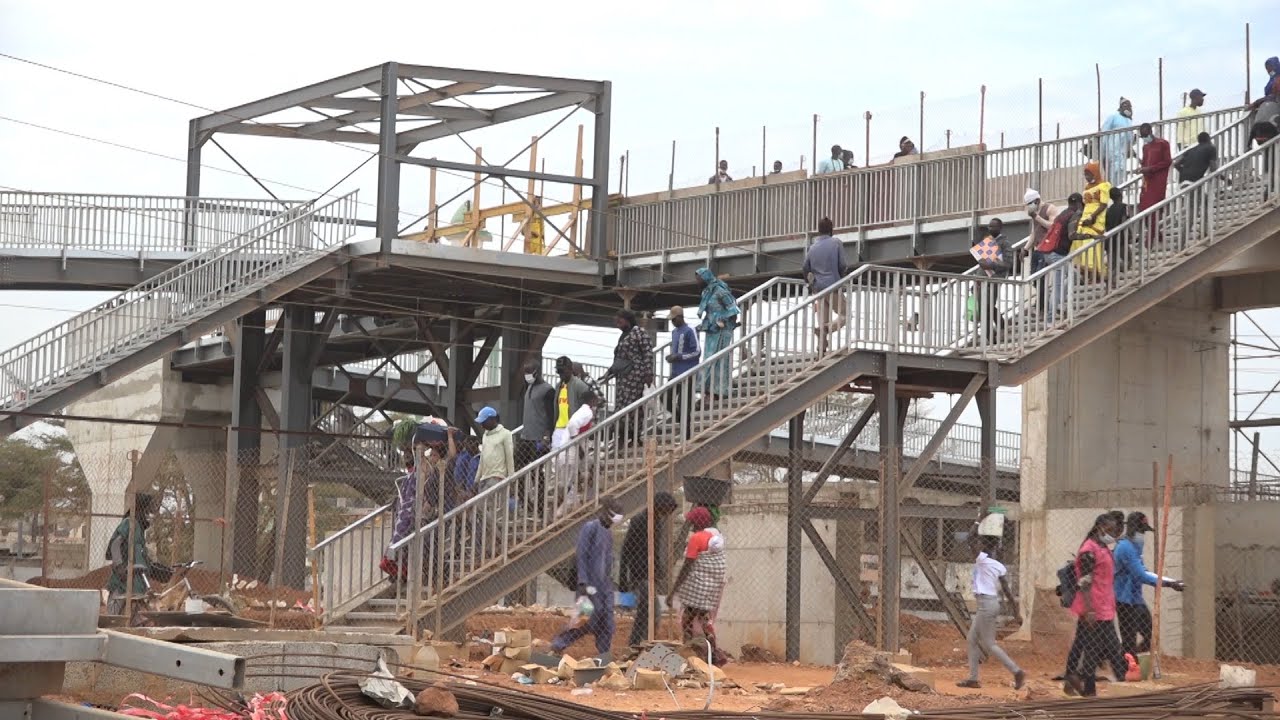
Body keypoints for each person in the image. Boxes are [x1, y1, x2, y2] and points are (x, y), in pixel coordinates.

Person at [552, 496, 624, 662]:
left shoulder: (607, 534)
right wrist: (582, 581)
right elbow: (582, 555)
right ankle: (558, 644)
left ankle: (604, 655)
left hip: (604, 586)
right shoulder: (590, 528)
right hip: (589, 585)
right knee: (586, 620)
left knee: (606, 622)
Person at [1063, 513, 1128, 697]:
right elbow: (1084, 582)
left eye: (1114, 531)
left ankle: (1073, 681)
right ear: (1100, 527)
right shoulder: (1089, 551)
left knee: (1086, 645)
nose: (1113, 534)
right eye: (1109, 530)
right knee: (1101, 647)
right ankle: (1091, 688)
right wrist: (1090, 609)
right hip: (1093, 607)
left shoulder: (1102, 547)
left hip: (1103, 605)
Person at [956, 534, 1026, 690]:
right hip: (990, 604)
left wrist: (980, 518)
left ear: (983, 545)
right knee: (972, 639)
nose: (975, 546)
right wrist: (1016, 612)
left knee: (989, 644)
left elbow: (970, 540)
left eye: (980, 543)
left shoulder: (982, 559)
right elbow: (1007, 590)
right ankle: (973, 679)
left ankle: (1017, 671)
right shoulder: (998, 565)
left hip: (986, 605)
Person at [1114, 512, 1185, 658]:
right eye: (1141, 530)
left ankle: (1126, 658)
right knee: (1129, 640)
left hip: (1136, 599)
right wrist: (1167, 583)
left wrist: (1170, 581)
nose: (1143, 534)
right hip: (1124, 600)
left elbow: (1144, 571)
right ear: (1133, 529)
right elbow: (1140, 575)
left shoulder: (1134, 547)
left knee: (1150, 635)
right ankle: (1125, 665)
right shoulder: (1125, 548)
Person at [669, 506, 729, 666]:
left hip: (697, 590)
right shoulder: (715, 538)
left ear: (695, 522)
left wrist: (673, 592)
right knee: (704, 621)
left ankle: (693, 658)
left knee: (688, 622)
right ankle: (713, 655)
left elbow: (687, 566)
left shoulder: (696, 539)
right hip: (711, 589)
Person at [619, 491, 680, 647]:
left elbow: (654, 550)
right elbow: (626, 550)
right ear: (660, 506)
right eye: (666, 510)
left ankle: (635, 645)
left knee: (644, 614)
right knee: (653, 614)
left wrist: (658, 569)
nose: (667, 515)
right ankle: (643, 644)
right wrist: (623, 579)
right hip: (640, 574)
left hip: (649, 573)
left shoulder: (656, 522)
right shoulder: (640, 521)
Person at [106, 493, 171, 616]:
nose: (149, 514)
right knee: (117, 611)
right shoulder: (129, 523)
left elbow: (141, 557)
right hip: (124, 577)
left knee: (137, 609)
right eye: (148, 510)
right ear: (142, 508)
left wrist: (157, 570)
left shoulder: (139, 529)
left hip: (137, 579)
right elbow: (115, 544)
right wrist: (119, 565)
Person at [603, 311, 654, 447]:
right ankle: (624, 436)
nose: (618, 325)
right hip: (622, 378)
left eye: (620, 322)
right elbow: (619, 358)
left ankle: (633, 436)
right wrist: (609, 371)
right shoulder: (622, 336)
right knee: (621, 407)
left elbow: (648, 353)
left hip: (635, 376)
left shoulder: (639, 333)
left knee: (632, 407)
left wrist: (648, 373)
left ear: (627, 320)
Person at [803, 217, 849, 350]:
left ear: (818, 231)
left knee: (823, 318)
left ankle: (821, 347)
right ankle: (827, 329)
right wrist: (841, 278)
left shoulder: (812, 247)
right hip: (833, 286)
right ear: (831, 230)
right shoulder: (836, 243)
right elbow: (843, 265)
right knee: (845, 315)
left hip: (818, 289)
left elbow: (805, 268)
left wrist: (809, 283)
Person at [695, 268, 740, 404]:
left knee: (718, 361)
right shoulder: (707, 292)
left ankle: (717, 392)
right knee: (708, 361)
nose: (697, 281)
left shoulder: (720, 291)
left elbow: (733, 309)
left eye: (699, 278)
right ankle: (707, 391)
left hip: (721, 330)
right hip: (711, 331)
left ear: (705, 277)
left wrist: (722, 319)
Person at [518, 359, 556, 514]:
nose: (527, 376)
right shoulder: (529, 386)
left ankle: (539, 505)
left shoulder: (547, 390)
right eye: (525, 373)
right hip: (525, 436)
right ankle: (525, 502)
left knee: (536, 473)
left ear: (536, 372)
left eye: (529, 373)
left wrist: (547, 436)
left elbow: (550, 414)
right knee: (518, 471)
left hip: (538, 438)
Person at [970, 217, 1013, 343]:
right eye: (989, 226)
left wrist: (991, 265)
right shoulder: (987, 241)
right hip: (981, 279)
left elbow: (1008, 264)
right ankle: (999, 327)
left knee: (987, 307)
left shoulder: (1005, 243)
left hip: (994, 279)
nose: (991, 229)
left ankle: (990, 336)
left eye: (994, 227)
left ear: (1000, 227)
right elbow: (981, 261)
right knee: (984, 306)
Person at [552, 356, 590, 492]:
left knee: (571, 462)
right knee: (558, 462)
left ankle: (575, 488)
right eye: (558, 371)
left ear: (570, 369)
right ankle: (565, 488)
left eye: (563, 371)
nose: (561, 374)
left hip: (572, 430)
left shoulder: (579, 385)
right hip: (559, 428)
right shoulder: (559, 386)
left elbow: (589, 403)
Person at [1072, 162, 1111, 285]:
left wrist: (1093, 216)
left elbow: (1103, 204)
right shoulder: (1087, 187)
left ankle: (1097, 272)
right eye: (1085, 174)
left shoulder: (1104, 185)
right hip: (1085, 215)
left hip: (1096, 216)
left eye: (1088, 174)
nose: (1086, 177)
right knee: (1078, 240)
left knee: (1090, 242)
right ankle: (1088, 273)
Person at [666, 306, 700, 438]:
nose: (672, 322)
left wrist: (679, 357)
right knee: (665, 398)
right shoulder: (674, 332)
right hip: (675, 372)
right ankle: (681, 420)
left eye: (674, 319)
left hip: (688, 372)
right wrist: (672, 357)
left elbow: (697, 352)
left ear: (680, 317)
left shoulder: (690, 330)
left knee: (684, 403)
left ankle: (687, 434)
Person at [1135, 123, 1171, 243]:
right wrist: (1141, 169)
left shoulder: (1163, 144)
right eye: (1142, 136)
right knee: (1143, 208)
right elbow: (1145, 163)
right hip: (1147, 181)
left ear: (1150, 131)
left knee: (1153, 209)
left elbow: (1167, 162)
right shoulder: (1145, 148)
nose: (1144, 137)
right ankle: (1157, 234)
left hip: (1158, 181)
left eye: (1145, 134)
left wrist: (1151, 169)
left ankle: (1149, 239)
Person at [475, 406, 514, 493]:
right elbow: (482, 459)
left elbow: (509, 457)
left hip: (497, 477)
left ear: (492, 420)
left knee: (495, 505)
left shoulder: (505, 434)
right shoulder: (485, 435)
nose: (482, 425)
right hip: (484, 477)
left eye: (484, 422)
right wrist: (477, 479)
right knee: (482, 505)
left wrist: (511, 478)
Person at [1101, 98, 1135, 187]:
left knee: (1120, 178)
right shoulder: (1113, 116)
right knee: (1111, 178)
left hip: (1122, 155)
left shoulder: (1129, 121)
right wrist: (1103, 153)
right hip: (1111, 153)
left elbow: (1129, 139)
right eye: (1125, 105)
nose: (1128, 107)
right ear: (1120, 107)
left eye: (1129, 106)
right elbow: (1104, 133)